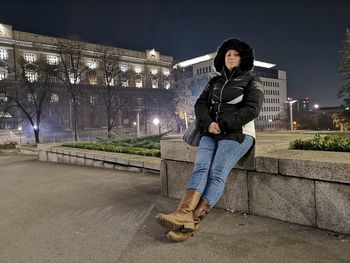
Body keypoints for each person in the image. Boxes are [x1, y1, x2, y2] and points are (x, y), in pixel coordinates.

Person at [156, 38, 264, 242]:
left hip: (238, 133)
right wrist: (208, 124)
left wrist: (223, 124)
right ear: (223, 58)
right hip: (210, 131)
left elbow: (252, 109)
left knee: (216, 173)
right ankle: (183, 214)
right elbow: (200, 105)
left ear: (243, 58)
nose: (231, 57)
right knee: (201, 168)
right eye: (228, 54)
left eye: (236, 54)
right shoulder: (214, 81)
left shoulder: (252, 80)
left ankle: (192, 221)